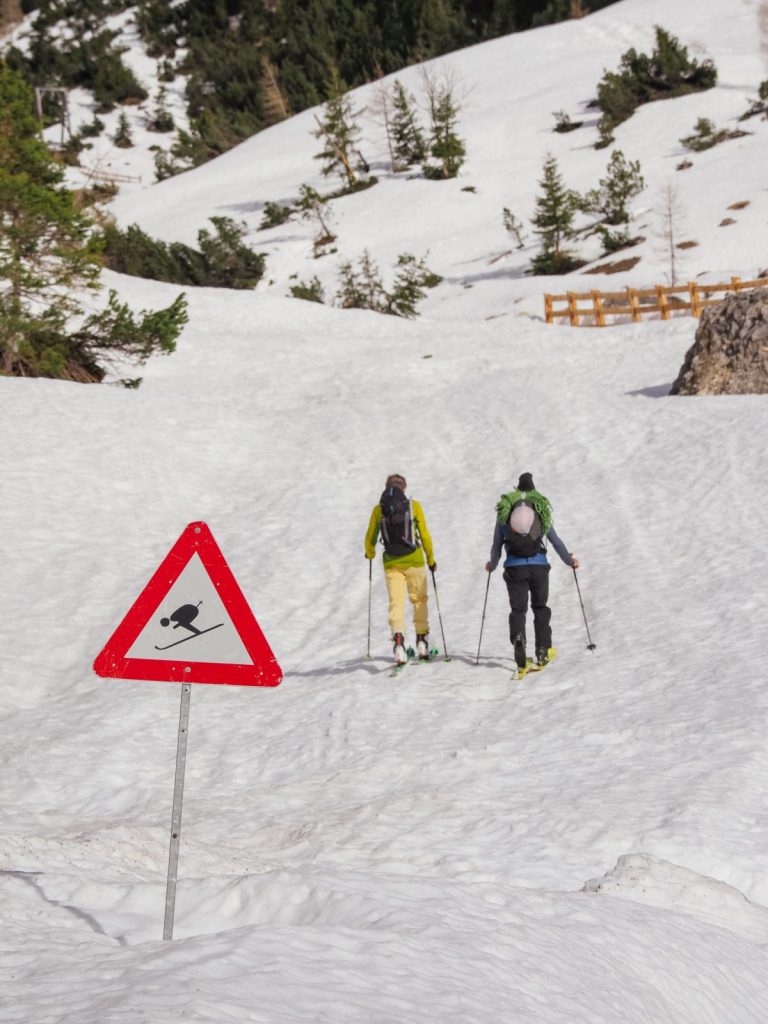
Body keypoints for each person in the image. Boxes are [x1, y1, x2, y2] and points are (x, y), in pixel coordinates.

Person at [485, 472, 579, 671]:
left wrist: (492, 565)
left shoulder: (506, 512)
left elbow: (496, 546)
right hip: (538, 568)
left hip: (514, 568)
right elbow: (555, 541)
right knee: (540, 607)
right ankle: (543, 649)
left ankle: (519, 637)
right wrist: (569, 561)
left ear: (518, 490)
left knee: (518, 610)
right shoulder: (539, 509)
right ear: (532, 489)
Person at [365, 473, 436, 664]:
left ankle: (398, 644)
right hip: (414, 561)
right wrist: (431, 559)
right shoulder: (413, 506)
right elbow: (425, 535)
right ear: (403, 488)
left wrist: (370, 553)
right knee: (419, 600)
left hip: (392, 564)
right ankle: (422, 642)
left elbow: (370, 536)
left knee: (396, 603)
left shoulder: (379, 510)